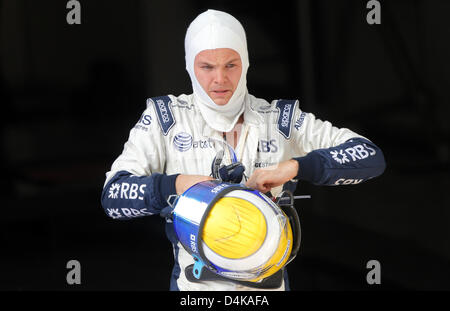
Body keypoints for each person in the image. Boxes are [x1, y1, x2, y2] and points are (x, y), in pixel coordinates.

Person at [101, 9, 386, 291]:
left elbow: (371, 156)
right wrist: (175, 184)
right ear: (190, 66)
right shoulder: (165, 118)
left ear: (246, 63)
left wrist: (296, 167)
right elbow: (112, 196)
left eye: (230, 65)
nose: (220, 79)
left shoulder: (281, 119)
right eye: (207, 67)